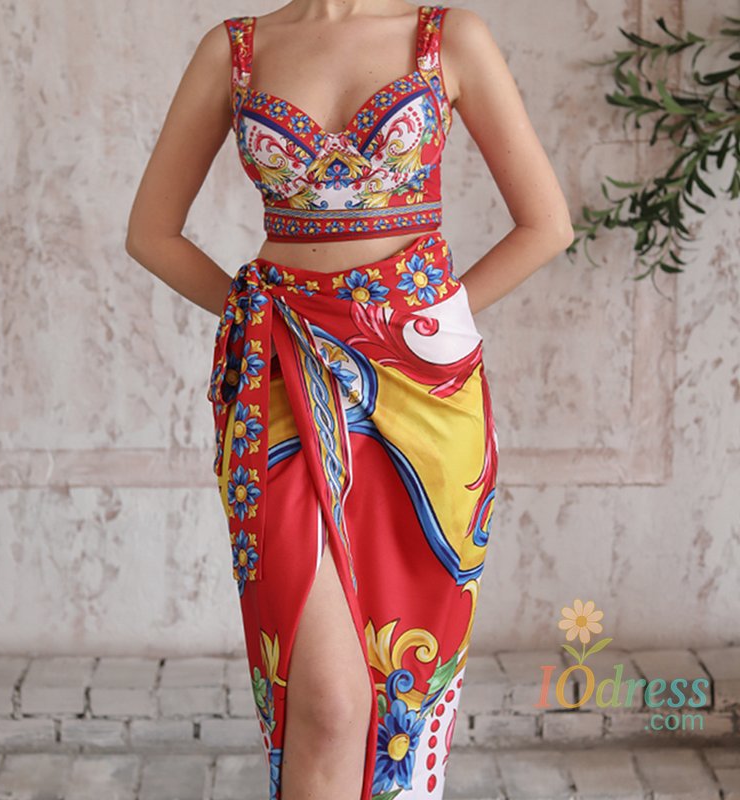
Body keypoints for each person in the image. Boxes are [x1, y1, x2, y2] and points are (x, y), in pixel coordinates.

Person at [126, 1, 573, 798]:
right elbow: (151, 232)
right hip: (281, 381)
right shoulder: (235, 49)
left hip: (424, 396)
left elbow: (546, 225)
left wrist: (420, 326)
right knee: (329, 705)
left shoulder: (448, 38)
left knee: (400, 695)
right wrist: (260, 320)